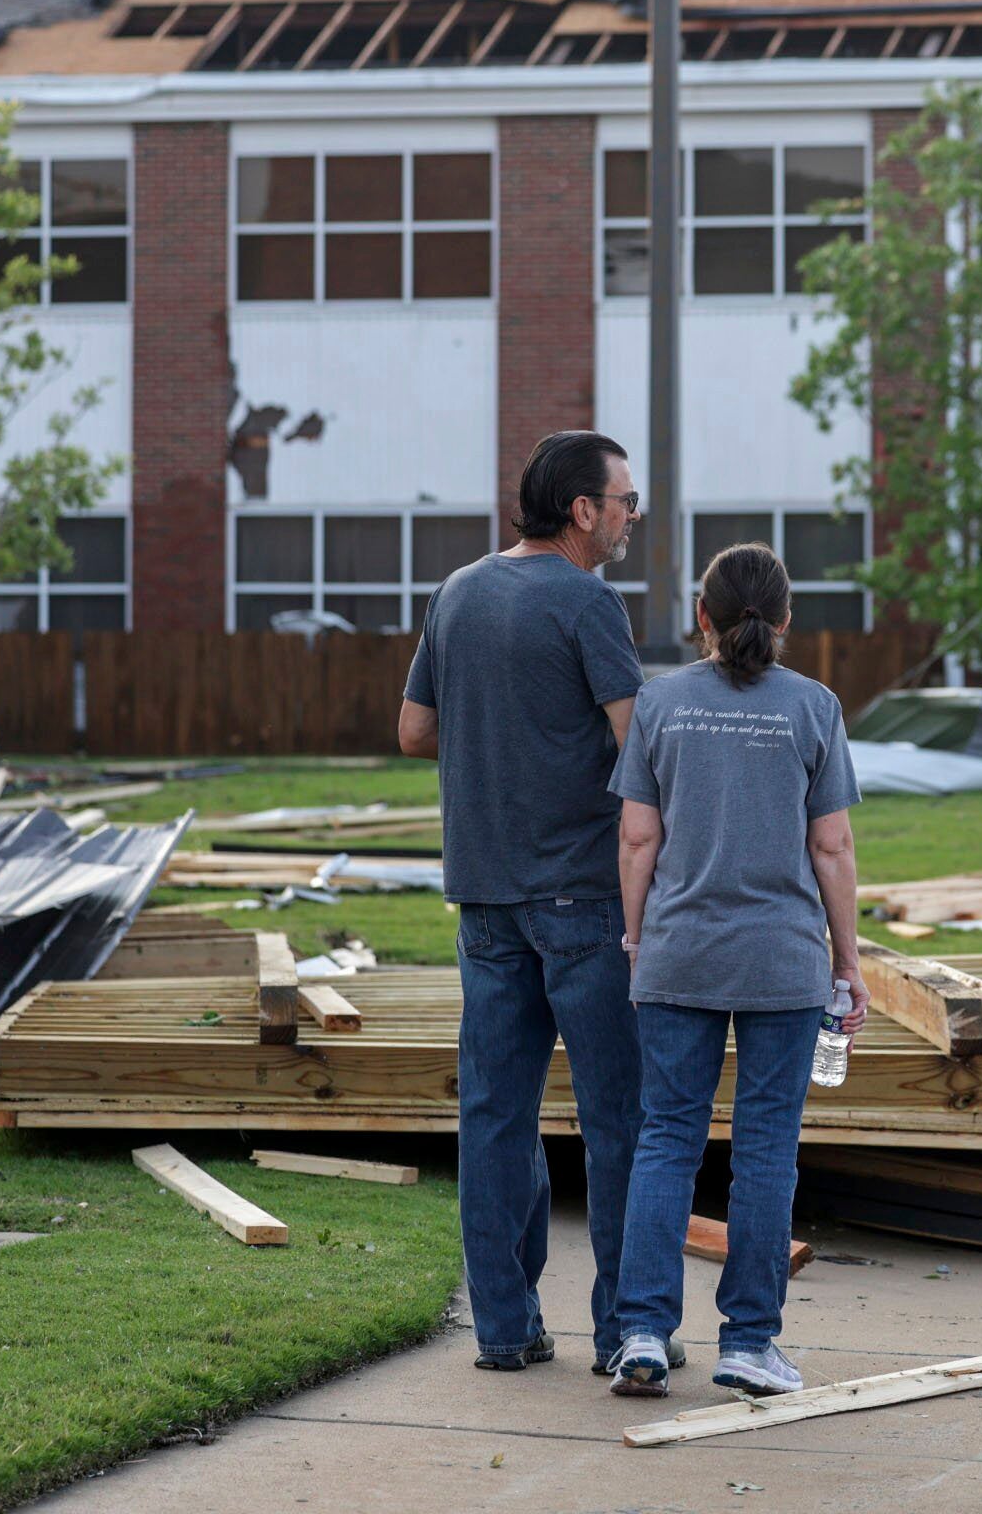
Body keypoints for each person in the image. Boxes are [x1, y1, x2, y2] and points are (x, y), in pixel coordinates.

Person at [397, 429, 654, 1377]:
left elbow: (413, 728)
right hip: (583, 901)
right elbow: (640, 752)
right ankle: (630, 1329)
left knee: (495, 1115)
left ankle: (506, 1329)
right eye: (626, 500)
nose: (632, 516)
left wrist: (498, 736)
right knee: (615, 1120)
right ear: (583, 510)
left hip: (484, 900)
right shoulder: (588, 601)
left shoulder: (457, 591)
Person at [603, 540, 865, 1400]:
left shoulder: (661, 703)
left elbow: (639, 838)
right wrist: (849, 962)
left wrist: (639, 939)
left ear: (703, 617)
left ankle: (640, 1332)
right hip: (782, 963)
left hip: (680, 953)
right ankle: (749, 1343)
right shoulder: (814, 706)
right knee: (764, 1152)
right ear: (786, 621)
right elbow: (831, 846)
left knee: (665, 1141)